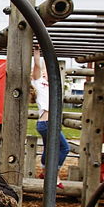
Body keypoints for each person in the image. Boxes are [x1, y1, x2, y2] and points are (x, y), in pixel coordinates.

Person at [31, 49, 69, 184]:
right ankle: (53, 174)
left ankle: (44, 171)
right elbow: (37, 66)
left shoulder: (52, 86)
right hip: (47, 123)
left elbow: (50, 67)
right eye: (44, 71)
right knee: (65, 148)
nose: (46, 72)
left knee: (48, 149)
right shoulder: (38, 82)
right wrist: (37, 53)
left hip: (48, 123)